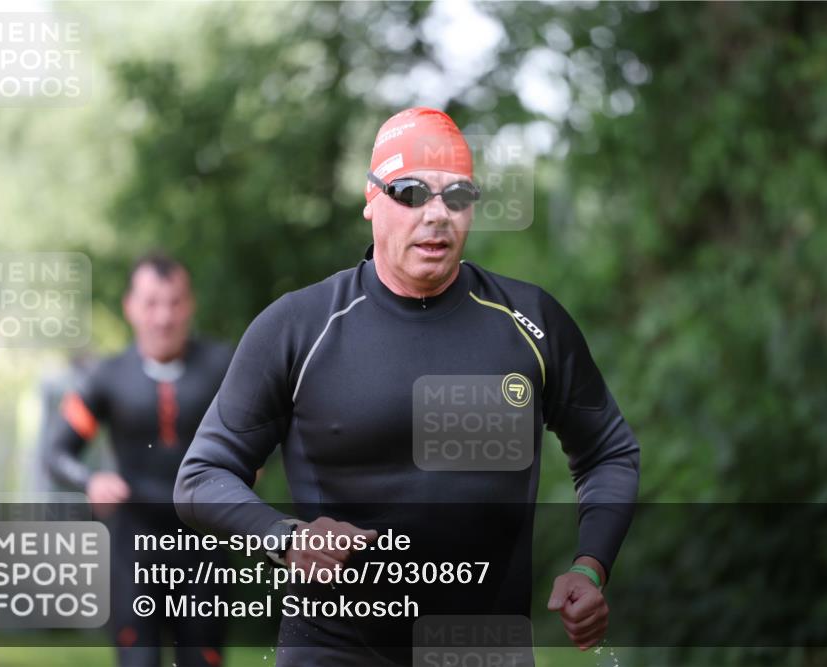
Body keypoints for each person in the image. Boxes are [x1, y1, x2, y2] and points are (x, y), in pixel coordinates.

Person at [175, 107, 640, 666]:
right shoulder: (299, 327)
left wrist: (592, 564)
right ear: (371, 198)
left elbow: (608, 451)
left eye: (458, 196)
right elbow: (201, 476)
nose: (438, 215)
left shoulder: (530, 321)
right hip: (334, 648)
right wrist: (288, 537)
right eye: (412, 192)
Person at [45, 253, 232, 667]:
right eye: (151, 303)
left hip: (204, 546)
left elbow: (269, 430)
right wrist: (90, 480)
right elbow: (56, 453)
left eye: (175, 301)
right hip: (133, 548)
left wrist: (250, 463)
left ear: (191, 304)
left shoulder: (224, 367)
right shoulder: (106, 377)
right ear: (130, 306)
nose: (164, 317)